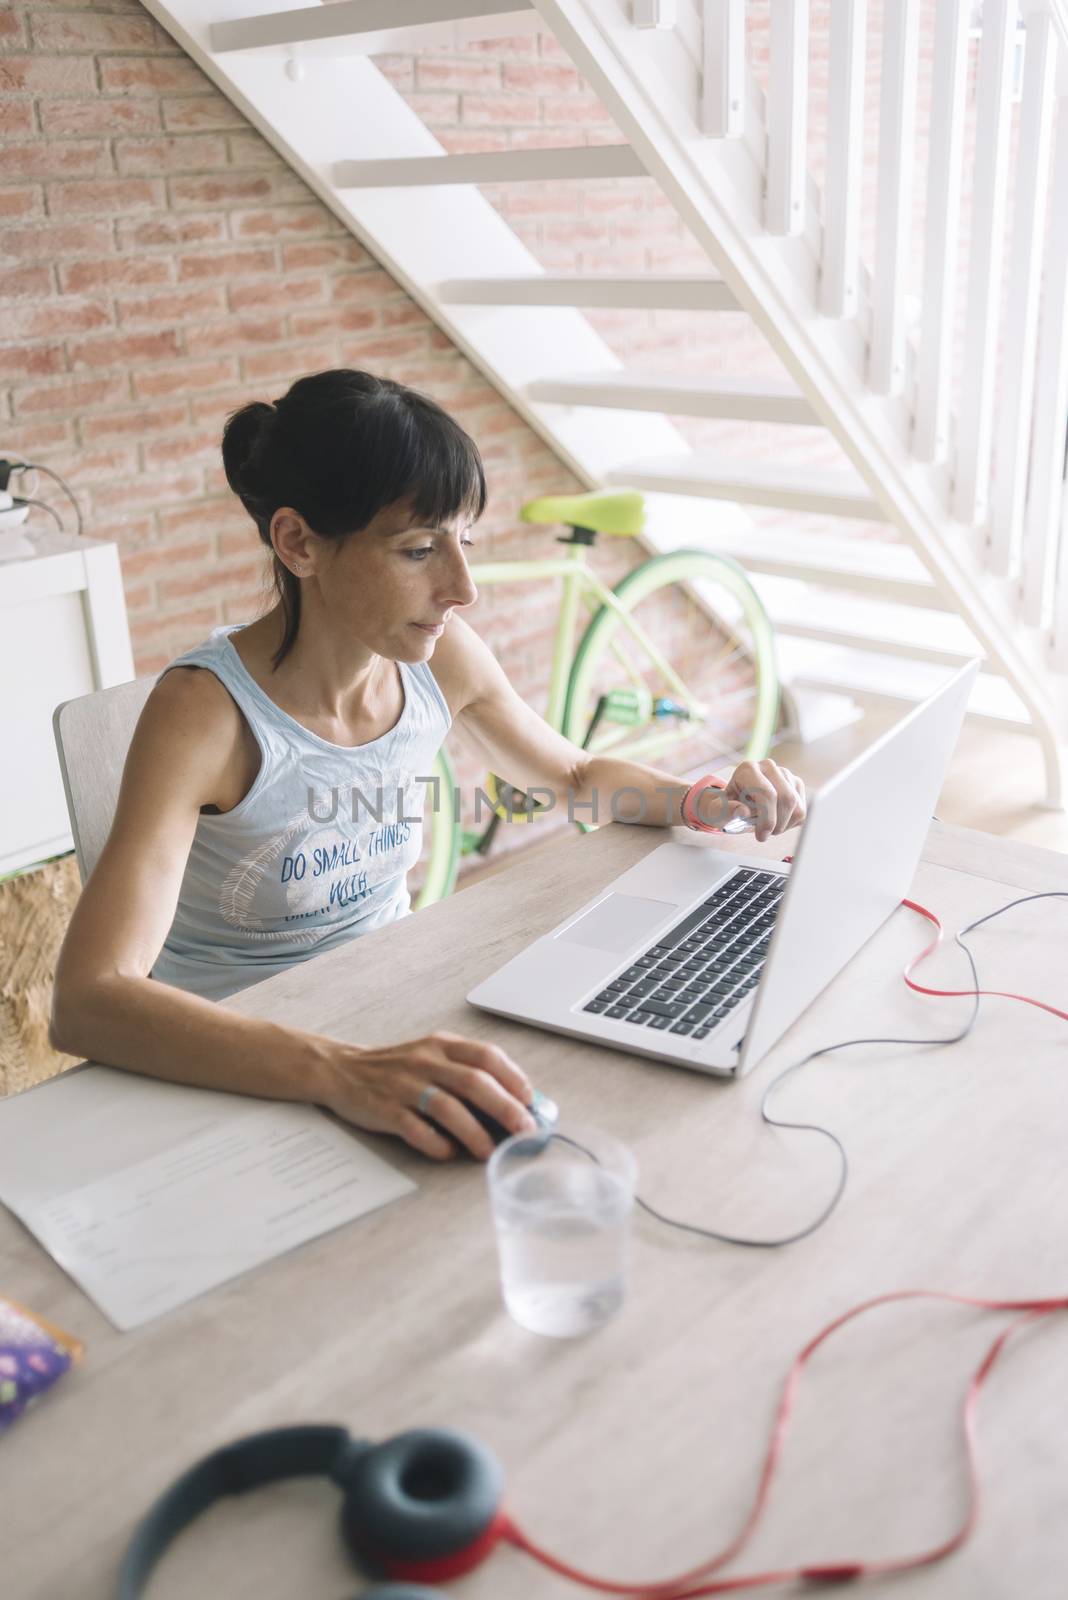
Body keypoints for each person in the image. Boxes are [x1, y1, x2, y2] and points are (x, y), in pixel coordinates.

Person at [50, 370, 805, 1161]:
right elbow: (89, 1000)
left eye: (463, 543)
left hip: (390, 1011)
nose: (463, 588)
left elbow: (576, 779)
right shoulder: (204, 714)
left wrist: (707, 803)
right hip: (238, 1062)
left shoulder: (435, 663)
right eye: (419, 550)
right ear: (298, 543)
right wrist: (342, 1071)